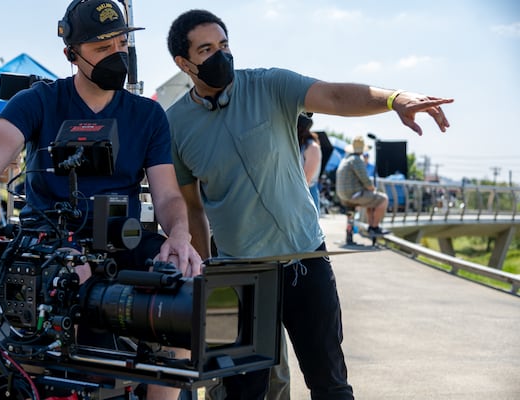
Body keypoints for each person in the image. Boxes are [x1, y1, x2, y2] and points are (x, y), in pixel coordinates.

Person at [165, 9, 453, 400]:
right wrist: (201, 272)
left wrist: (393, 98)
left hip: (306, 261)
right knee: (238, 392)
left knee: (330, 384)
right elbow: (190, 205)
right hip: (233, 276)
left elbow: (335, 95)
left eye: (224, 45)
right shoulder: (174, 124)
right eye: (206, 49)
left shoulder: (270, 84)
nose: (221, 55)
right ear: (184, 63)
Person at [0, 2, 202, 400]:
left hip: (125, 242)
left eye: (121, 44)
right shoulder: (39, 101)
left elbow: (169, 194)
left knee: (186, 296)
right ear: (72, 54)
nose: (116, 55)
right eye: (102, 48)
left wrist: (179, 235)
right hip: (46, 246)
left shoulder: (149, 115)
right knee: (53, 302)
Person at [336, 136, 390, 235]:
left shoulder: (346, 159)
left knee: (372, 200)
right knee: (383, 199)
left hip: (343, 195)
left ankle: (368, 228)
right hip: (352, 195)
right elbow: (366, 181)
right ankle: (374, 227)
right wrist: (373, 189)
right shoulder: (356, 159)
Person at [297, 112, 322, 212]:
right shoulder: (301, 145)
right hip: (299, 192)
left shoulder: (312, 147)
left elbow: (306, 180)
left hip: (307, 194)